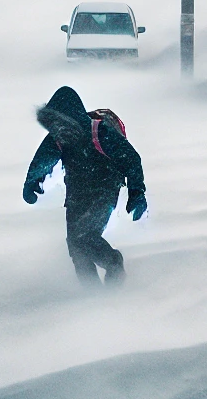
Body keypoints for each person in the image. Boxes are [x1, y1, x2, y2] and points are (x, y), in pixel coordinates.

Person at [23, 86, 146, 285]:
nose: (58, 130)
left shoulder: (100, 132)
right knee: (75, 246)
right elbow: (42, 160)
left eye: (60, 124)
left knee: (86, 237)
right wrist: (32, 182)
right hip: (76, 193)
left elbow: (131, 159)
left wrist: (136, 192)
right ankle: (92, 295)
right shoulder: (57, 138)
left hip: (105, 189)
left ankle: (113, 264)